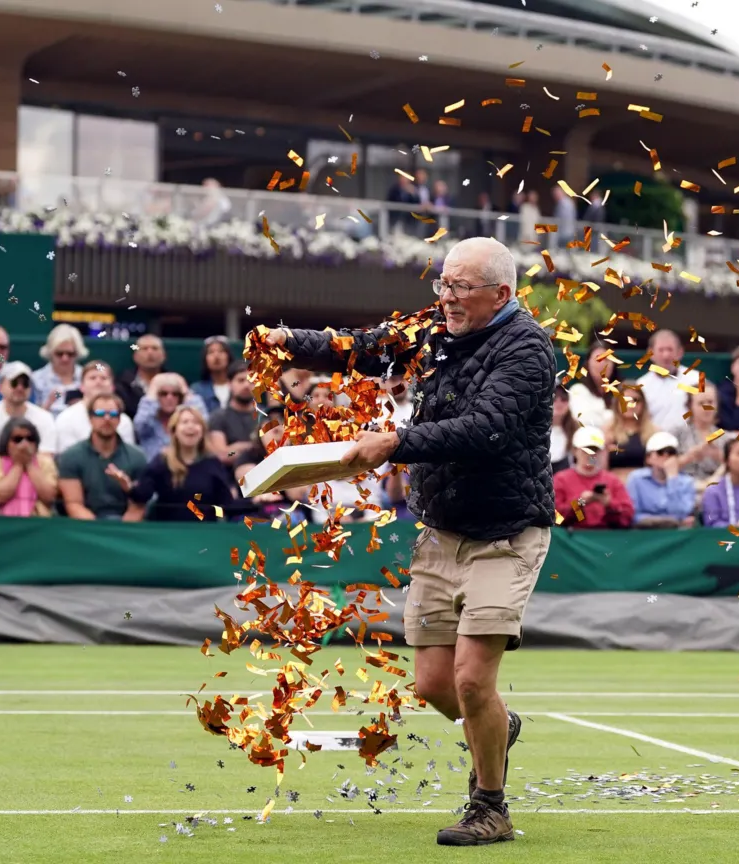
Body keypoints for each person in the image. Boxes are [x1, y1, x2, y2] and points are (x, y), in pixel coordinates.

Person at [260, 236, 553, 846]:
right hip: (441, 526)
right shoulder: (436, 325)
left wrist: (392, 444)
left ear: (501, 294)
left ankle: (490, 807)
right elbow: (363, 349)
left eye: (459, 287)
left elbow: (486, 430)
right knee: (434, 686)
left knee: (473, 680)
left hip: (506, 531)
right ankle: (498, 726)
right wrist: (287, 340)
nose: (444, 297)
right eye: (441, 284)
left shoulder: (528, 350)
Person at [131, 406, 240, 521]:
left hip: (204, 533)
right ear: (174, 431)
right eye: (185, 422)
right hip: (167, 532)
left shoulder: (213, 464)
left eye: (196, 422)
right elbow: (142, 495)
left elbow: (227, 504)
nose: (190, 426)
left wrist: (254, 501)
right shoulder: (162, 462)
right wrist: (129, 488)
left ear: (202, 431)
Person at [56, 393, 148, 521]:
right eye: (100, 413)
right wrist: (101, 531)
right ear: (90, 418)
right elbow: (74, 504)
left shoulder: (138, 457)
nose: (107, 418)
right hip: (86, 527)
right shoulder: (71, 456)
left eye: (113, 414)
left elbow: (138, 506)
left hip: (127, 528)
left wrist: (121, 531)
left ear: (120, 419)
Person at [0, 361, 58, 466]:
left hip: (35, 479)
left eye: (25, 384)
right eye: (14, 383)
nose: (20, 388)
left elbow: (45, 464)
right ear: (0, 387)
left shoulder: (45, 418)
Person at [553, 426, 634, 529]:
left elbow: (627, 517)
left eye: (594, 450)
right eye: (586, 450)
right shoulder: (561, 480)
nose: (590, 455)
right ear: (574, 451)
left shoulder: (612, 480)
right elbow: (556, 518)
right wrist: (580, 502)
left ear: (602, 452)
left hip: (605, 536)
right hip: (573, 537)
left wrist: (608, 504)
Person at [0, 417, 59, 517]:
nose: (24, 444)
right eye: (18, 439)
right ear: (6, 441)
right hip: (0, 521)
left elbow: (49, 497)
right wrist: (18, 465)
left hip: (38, 523)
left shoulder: (45, 463)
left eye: (30, 439)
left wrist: (29, 464)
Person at [51, 362, 136, 455]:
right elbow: (66, 457)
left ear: (112, 387)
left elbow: (127, 455)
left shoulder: (123, 420)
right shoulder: (66, 418)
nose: (98, 382)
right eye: (92, 378)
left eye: (103, 378)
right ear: (82, 387)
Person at [626, 430, 698, 527]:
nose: (666, 456)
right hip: (644, 531)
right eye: (660, 452)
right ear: (648, 458)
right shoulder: (636, 479)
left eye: (671, 453)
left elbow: (682, 513)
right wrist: (662, 521)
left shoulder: (686, 482)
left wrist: (672, 479)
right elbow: (633, 514)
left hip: (676, 532)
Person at [133, 372, 207, 460]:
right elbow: (140, 424)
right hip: (155, 470)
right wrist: (152, 390)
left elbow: (203, 422)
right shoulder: (149, 423)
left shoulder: (187, 421)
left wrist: (185, 390)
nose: (169, 398)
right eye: (163, 394)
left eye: (175, 394)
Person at [637, 329, 699, 431]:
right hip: (655, 441)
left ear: (680, 352)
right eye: (661, 350)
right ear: (650, 353)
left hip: (690, 441)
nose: (666, 355)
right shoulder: (641, 385)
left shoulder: (696, 379)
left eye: (670, 349)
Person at [205, 360, 261, 462]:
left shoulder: (265, 416)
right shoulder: (218, 417)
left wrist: (237, 447)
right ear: (229, 384)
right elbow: (222, 456)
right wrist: (254, 447)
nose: (246, 385)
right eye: (240, 380)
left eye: (252, 382)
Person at [31, 323, 88, 416]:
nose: (65, 358)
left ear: (77, 353)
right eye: (59, 353)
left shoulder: (88, 377)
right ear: (50, 353)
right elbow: (30, 417)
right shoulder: (36, 379)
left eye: (70, 354)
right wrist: (48, 403)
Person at [115, 334, 169, 419]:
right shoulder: (122, 385)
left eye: (155, 348)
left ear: (164, 355)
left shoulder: (173, 382)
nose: (150, 353)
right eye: (144, 349)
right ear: (135, 356)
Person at [566, 342, 618, 432]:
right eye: (597, 359)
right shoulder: (577, 390)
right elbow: (581, 420)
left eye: (607, 360)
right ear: (588, 363)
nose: (602, 364)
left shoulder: (622, 392)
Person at [193, 336, 235, 415]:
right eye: (211, 352)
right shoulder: (197, 390)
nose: (216, 356)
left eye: (221, 351)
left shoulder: (239, 386)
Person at [548, 385, 578, 472]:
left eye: (564, 399)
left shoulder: (577, 430)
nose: (559, 402)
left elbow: (592, 457)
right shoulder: (534, 430)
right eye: (554, 399)